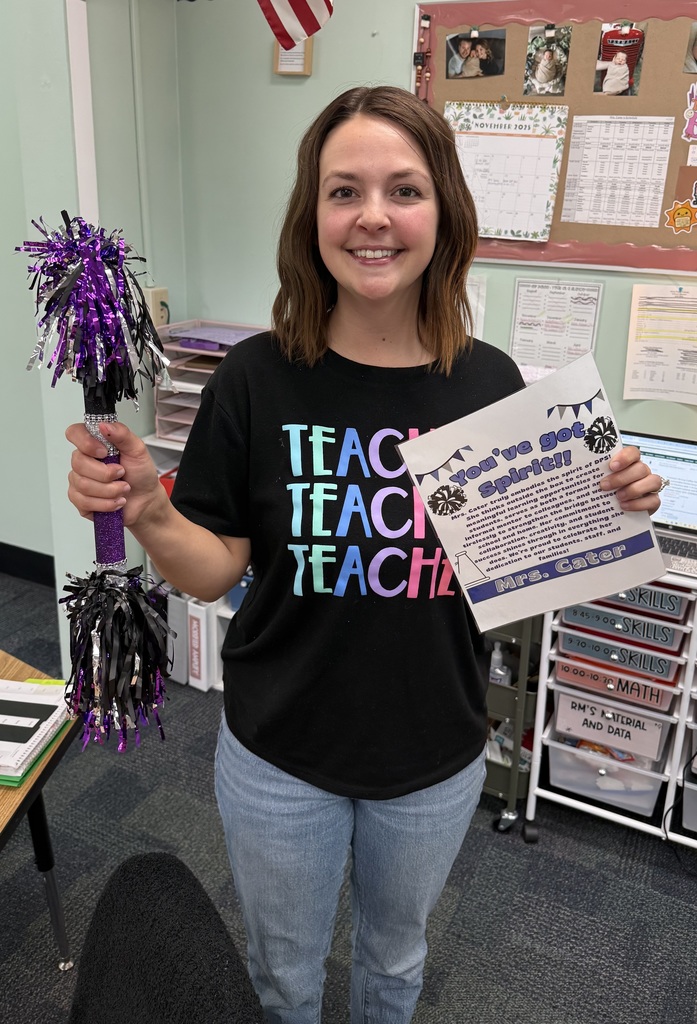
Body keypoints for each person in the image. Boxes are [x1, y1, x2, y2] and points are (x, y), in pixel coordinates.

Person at [66, 86, 663, 1024]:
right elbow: (216, 568)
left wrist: (603, 508)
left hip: (433, 750)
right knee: (282, 978)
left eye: (404, 190)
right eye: (344, 191)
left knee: (394, 965)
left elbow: (512, 578)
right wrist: (147, 509)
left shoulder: (492, 382)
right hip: (280, 752)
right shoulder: (257, 381)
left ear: (444, 213)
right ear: (312, 215)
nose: (373, 216)